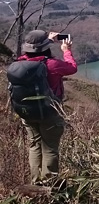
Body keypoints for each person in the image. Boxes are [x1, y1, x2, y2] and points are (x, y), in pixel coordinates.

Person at [17, 29, 77, 183]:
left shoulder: (20, 63)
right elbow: (72, 67)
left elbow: (36, 53)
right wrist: (66, 51)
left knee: (35, 145)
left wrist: (48, 41)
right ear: (45, 47)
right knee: (50, 147)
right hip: (49, 112)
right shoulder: (52, 65)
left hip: (28, 113)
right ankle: (49, 185)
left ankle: (36, 182)